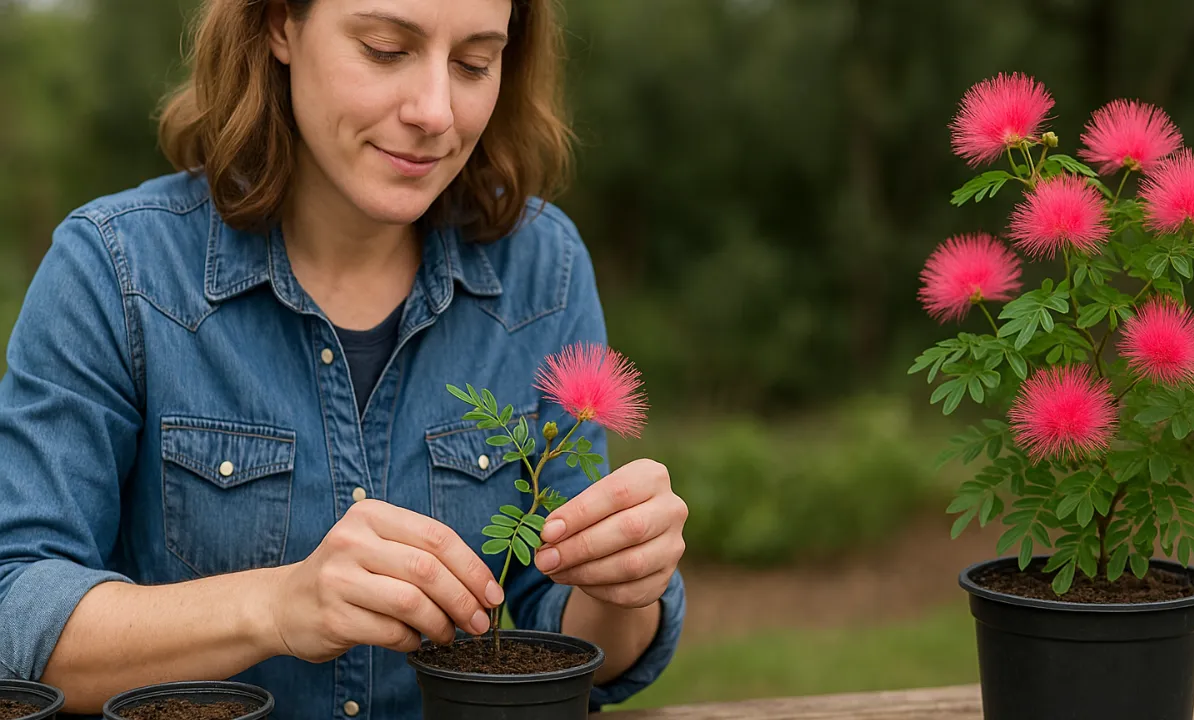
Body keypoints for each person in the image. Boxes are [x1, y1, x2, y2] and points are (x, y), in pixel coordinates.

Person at [0, 0, 688, 716]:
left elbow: (574, 638)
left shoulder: (546, 271)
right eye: (387, 49)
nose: (435, 111)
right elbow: (14, 609)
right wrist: (278, 606)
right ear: (279, 25)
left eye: (474, 63)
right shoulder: (116, 271)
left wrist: (624, 585)